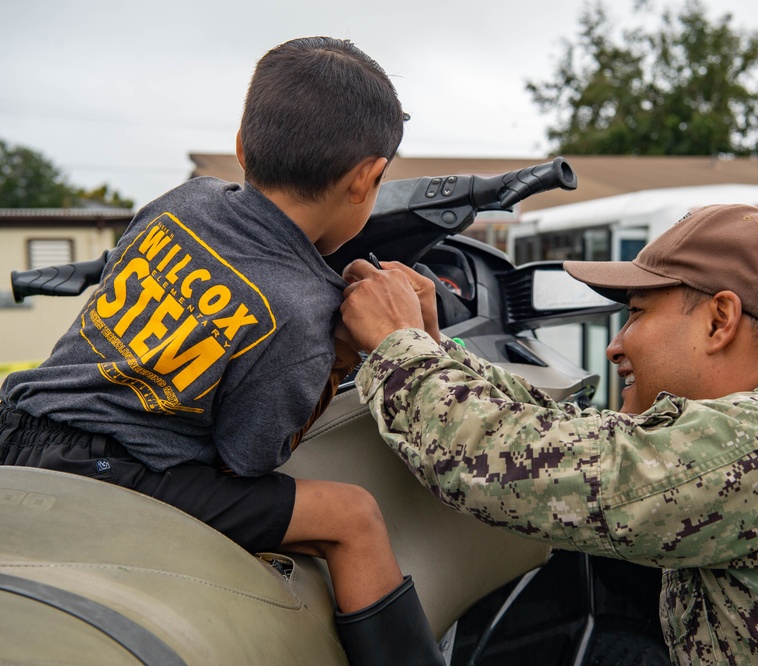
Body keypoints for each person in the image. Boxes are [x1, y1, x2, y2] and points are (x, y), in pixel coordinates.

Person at [338, 204, 758, 664]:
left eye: (638, 313)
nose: (617, 344)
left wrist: (396, 348)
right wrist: (435, 350)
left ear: (720, 319)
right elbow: (570, 436)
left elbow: (516, 466)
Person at [0, 37, 443, 666]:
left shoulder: (181, 203)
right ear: (367, 179)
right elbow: (247, 461)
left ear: (242, 145)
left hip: (15, 427)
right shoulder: (305, 307)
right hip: (111, 477)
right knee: (354, 517)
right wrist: (340, 359)